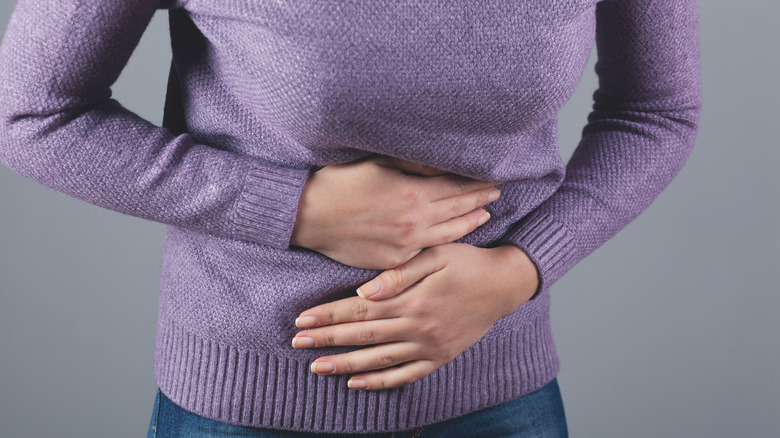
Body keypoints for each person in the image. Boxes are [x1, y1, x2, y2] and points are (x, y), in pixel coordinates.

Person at [0, 0, 701, 436]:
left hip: (500, 400)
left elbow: (657, 111)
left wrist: (520, 270)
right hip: (245, 405)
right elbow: (28, 113)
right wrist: (294, 210)